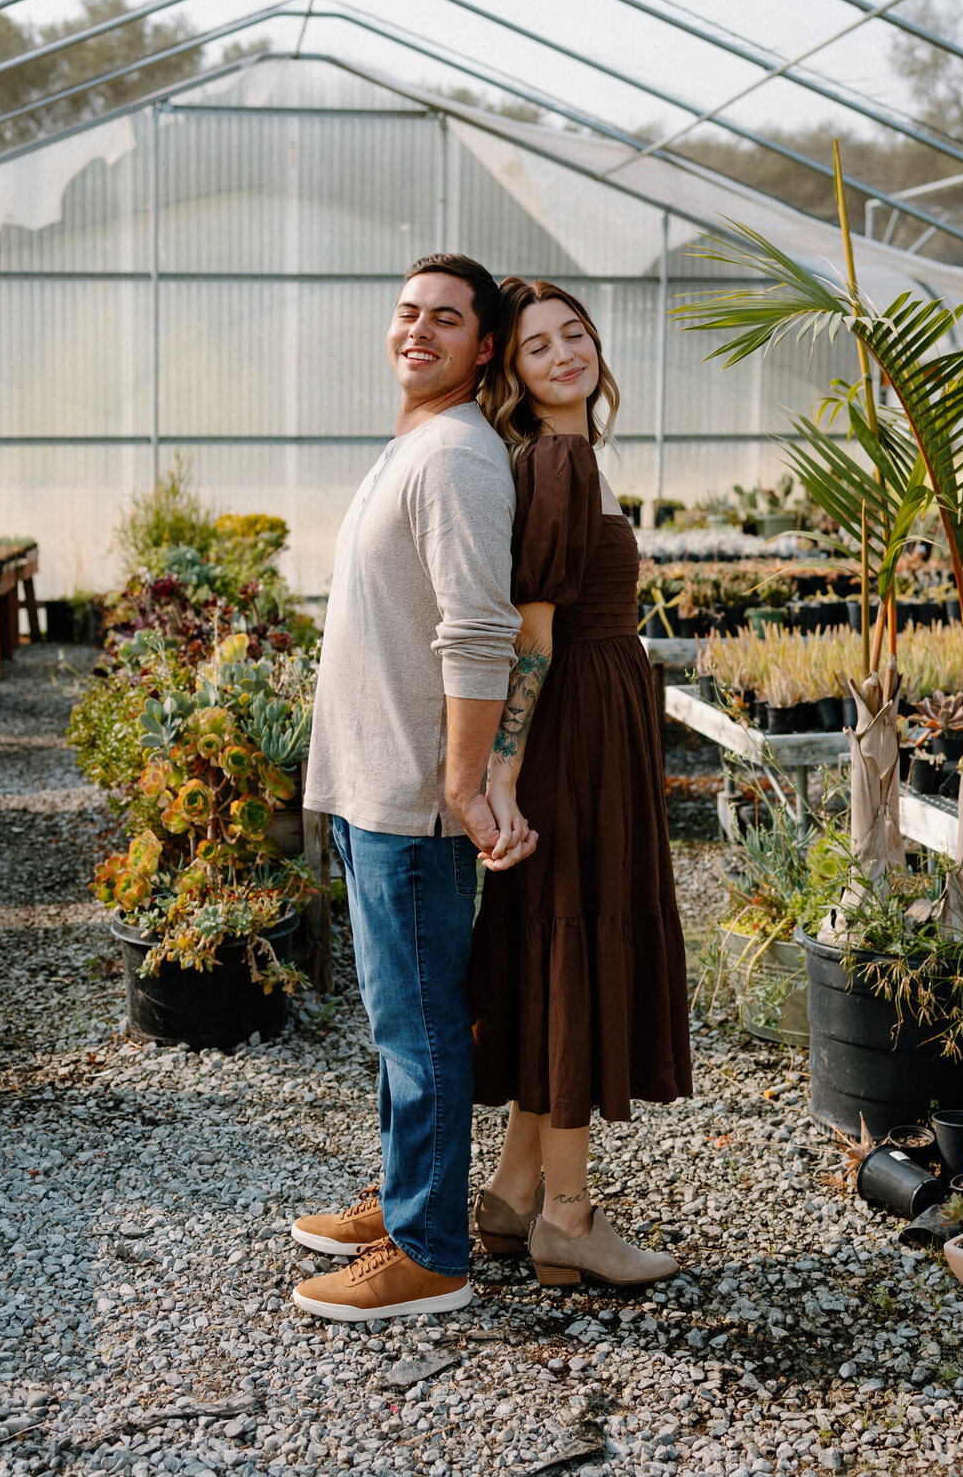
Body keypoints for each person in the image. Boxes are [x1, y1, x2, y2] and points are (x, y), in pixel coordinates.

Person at [290, 254, 535, 1323]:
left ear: (484, 348)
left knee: (422, 1023)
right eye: (406, 312)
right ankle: (404, 1204)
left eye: (446, 318)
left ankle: (430, 1251)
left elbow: (482, 632)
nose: (417, 330)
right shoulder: (415, 444)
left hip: (411, 802)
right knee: (398, 1019)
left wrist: (463, 780)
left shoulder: (457, 458)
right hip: (369, 790)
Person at [469, 276, 693, 1288]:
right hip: (574, 734)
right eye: (536, 347)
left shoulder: (573, 456)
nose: (566, 355)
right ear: (511, 375)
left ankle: (515, 1194)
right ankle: (568, 1214)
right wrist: (502, 779)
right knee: (570, 944)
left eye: (575, 335)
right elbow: (532, 637)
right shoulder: (555, 460)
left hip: (596, 721)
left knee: (558, 945)